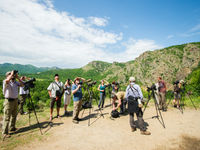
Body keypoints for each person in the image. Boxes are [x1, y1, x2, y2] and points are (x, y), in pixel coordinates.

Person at [2, 70, 24, 139]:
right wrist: (11, 74)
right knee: (7, 117)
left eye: (12, 75)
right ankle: (5, 132)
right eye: (10, 75)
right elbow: (7, 81)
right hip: (8, 101)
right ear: (7, 76)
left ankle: (12, 127)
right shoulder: (5, 81)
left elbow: (23, 84)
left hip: (15, 100)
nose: (12, 76)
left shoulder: (15, 82)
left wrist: (18, 77)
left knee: (14, 115)